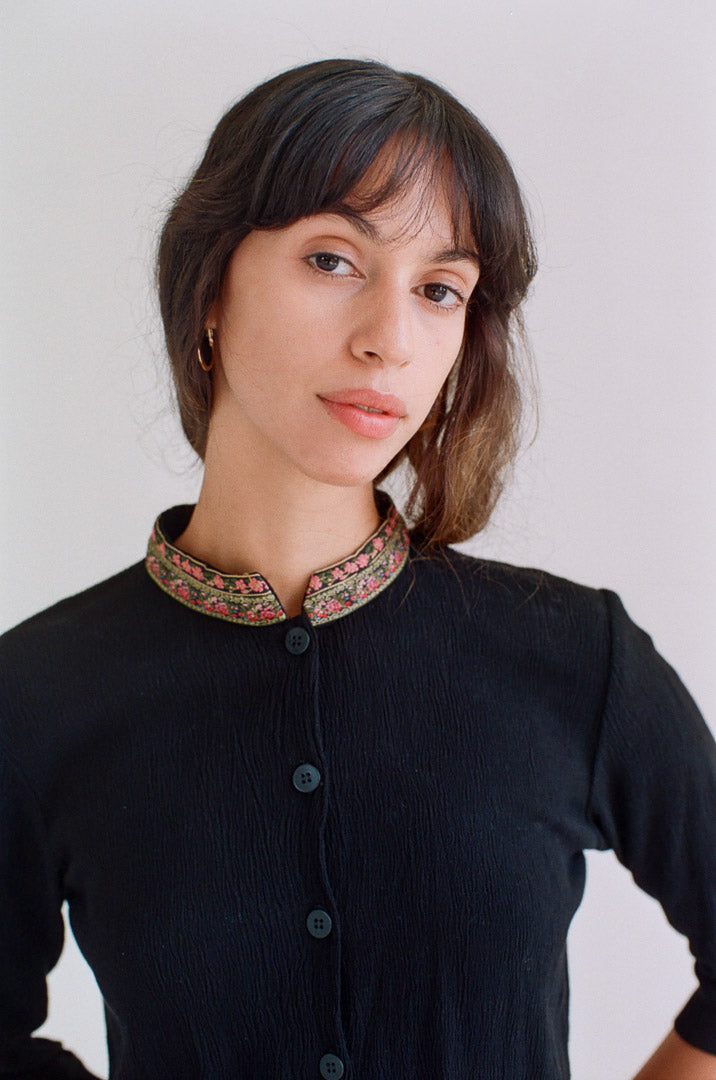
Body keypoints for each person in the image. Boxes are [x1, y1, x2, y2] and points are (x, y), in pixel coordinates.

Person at [0, 57, 714, 1080]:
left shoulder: (572, 655)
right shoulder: (35, 695)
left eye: (438, 289)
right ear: (210, 285)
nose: (388, 339)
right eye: (332, 259)